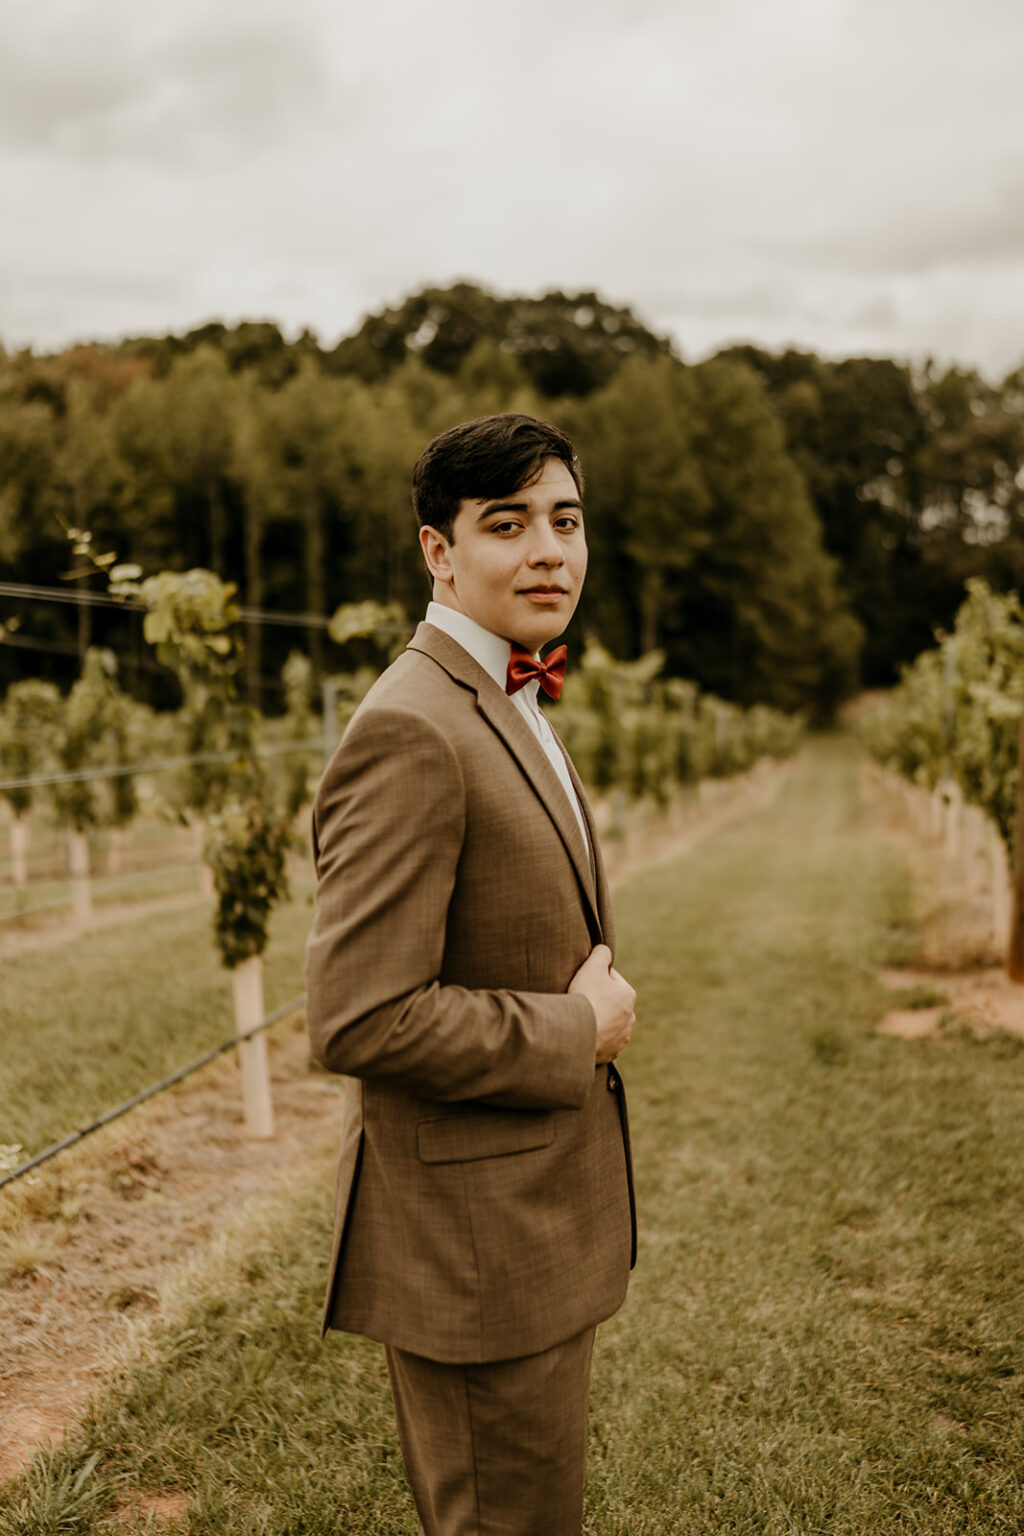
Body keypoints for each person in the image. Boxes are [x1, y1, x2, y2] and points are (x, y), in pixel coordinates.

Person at [305, 411, 637, 1536]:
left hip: (525, 1226)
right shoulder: (413, 729)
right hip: (476, 1253)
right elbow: (359, 1019)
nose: (550, 550)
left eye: (566, 519)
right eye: (509, 524)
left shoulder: (504, 694)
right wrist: (571, 1029)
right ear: (438, 553)